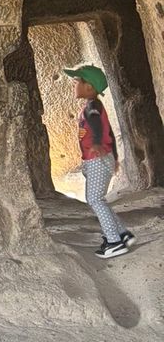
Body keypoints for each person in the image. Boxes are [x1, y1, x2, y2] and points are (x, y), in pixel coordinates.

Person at [63, 64, 135, 259]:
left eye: (77, 81)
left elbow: (96, 125)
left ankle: (115, 242)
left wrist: (95, 143)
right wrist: (116, 157)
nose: (74, 85)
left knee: (94, 199)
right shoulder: (93, 106)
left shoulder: (92, 107)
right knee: (99, 199)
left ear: (89, 87)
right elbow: (109, 131)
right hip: (100, 157)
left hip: (97, 158)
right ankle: (123, 234)